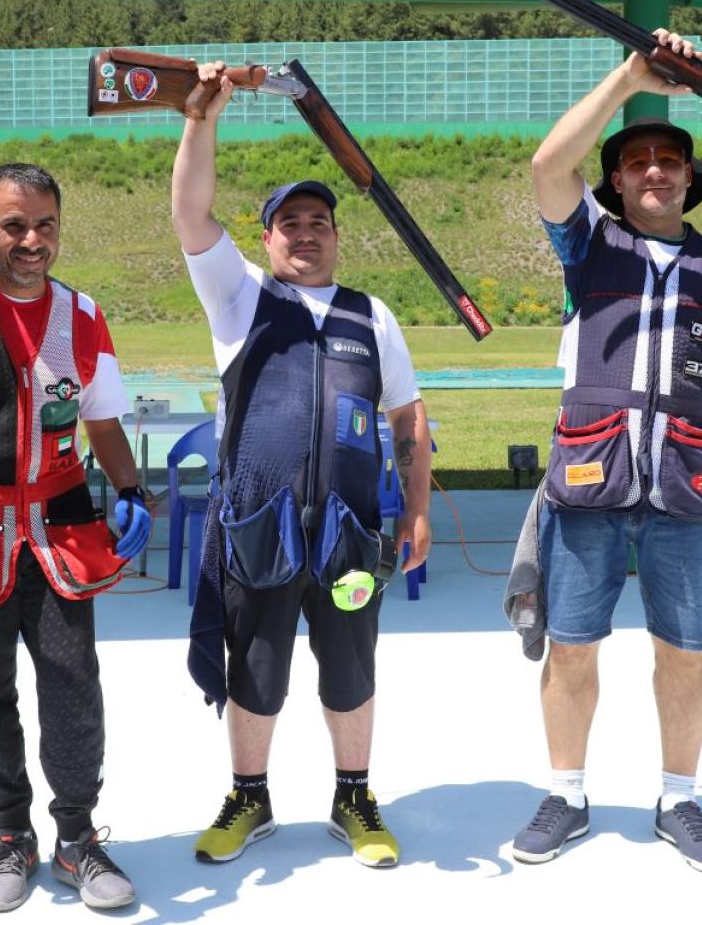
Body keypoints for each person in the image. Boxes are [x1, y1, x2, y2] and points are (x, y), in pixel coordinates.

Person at [171, 63, 432, 869]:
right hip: (261, 528)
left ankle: (354, 795)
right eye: (290, 222)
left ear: (337, 236)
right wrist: (201, 120)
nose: (307, 232)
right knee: (254, 669)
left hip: (350, 535)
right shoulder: (239, 297)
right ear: (267, 237)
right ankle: (248, 795)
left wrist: (416, 509)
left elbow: (409, 417)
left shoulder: (371, 314)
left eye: (320, 220)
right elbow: (190, 211)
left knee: (352, 669)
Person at [0, 163, 152, 913]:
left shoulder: (83, 314)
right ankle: (12, 832)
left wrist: (131, 489)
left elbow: (102, 420)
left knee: (74, 686)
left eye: (45, 224)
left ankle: (76, 835)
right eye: (14, 225)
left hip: (59, 533)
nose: (32, 240)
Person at [511, 30, 702, 871]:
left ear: (689, 177)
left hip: (687, 487)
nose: (654, 170)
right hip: (589, 482)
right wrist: (632, 76)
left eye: (669, 159)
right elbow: (548, 165)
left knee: (686, 652)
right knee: (572, 645)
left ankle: (680, 797)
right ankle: (568, 793)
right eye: (637, 161)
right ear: (617, 180)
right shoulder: (588, 243)